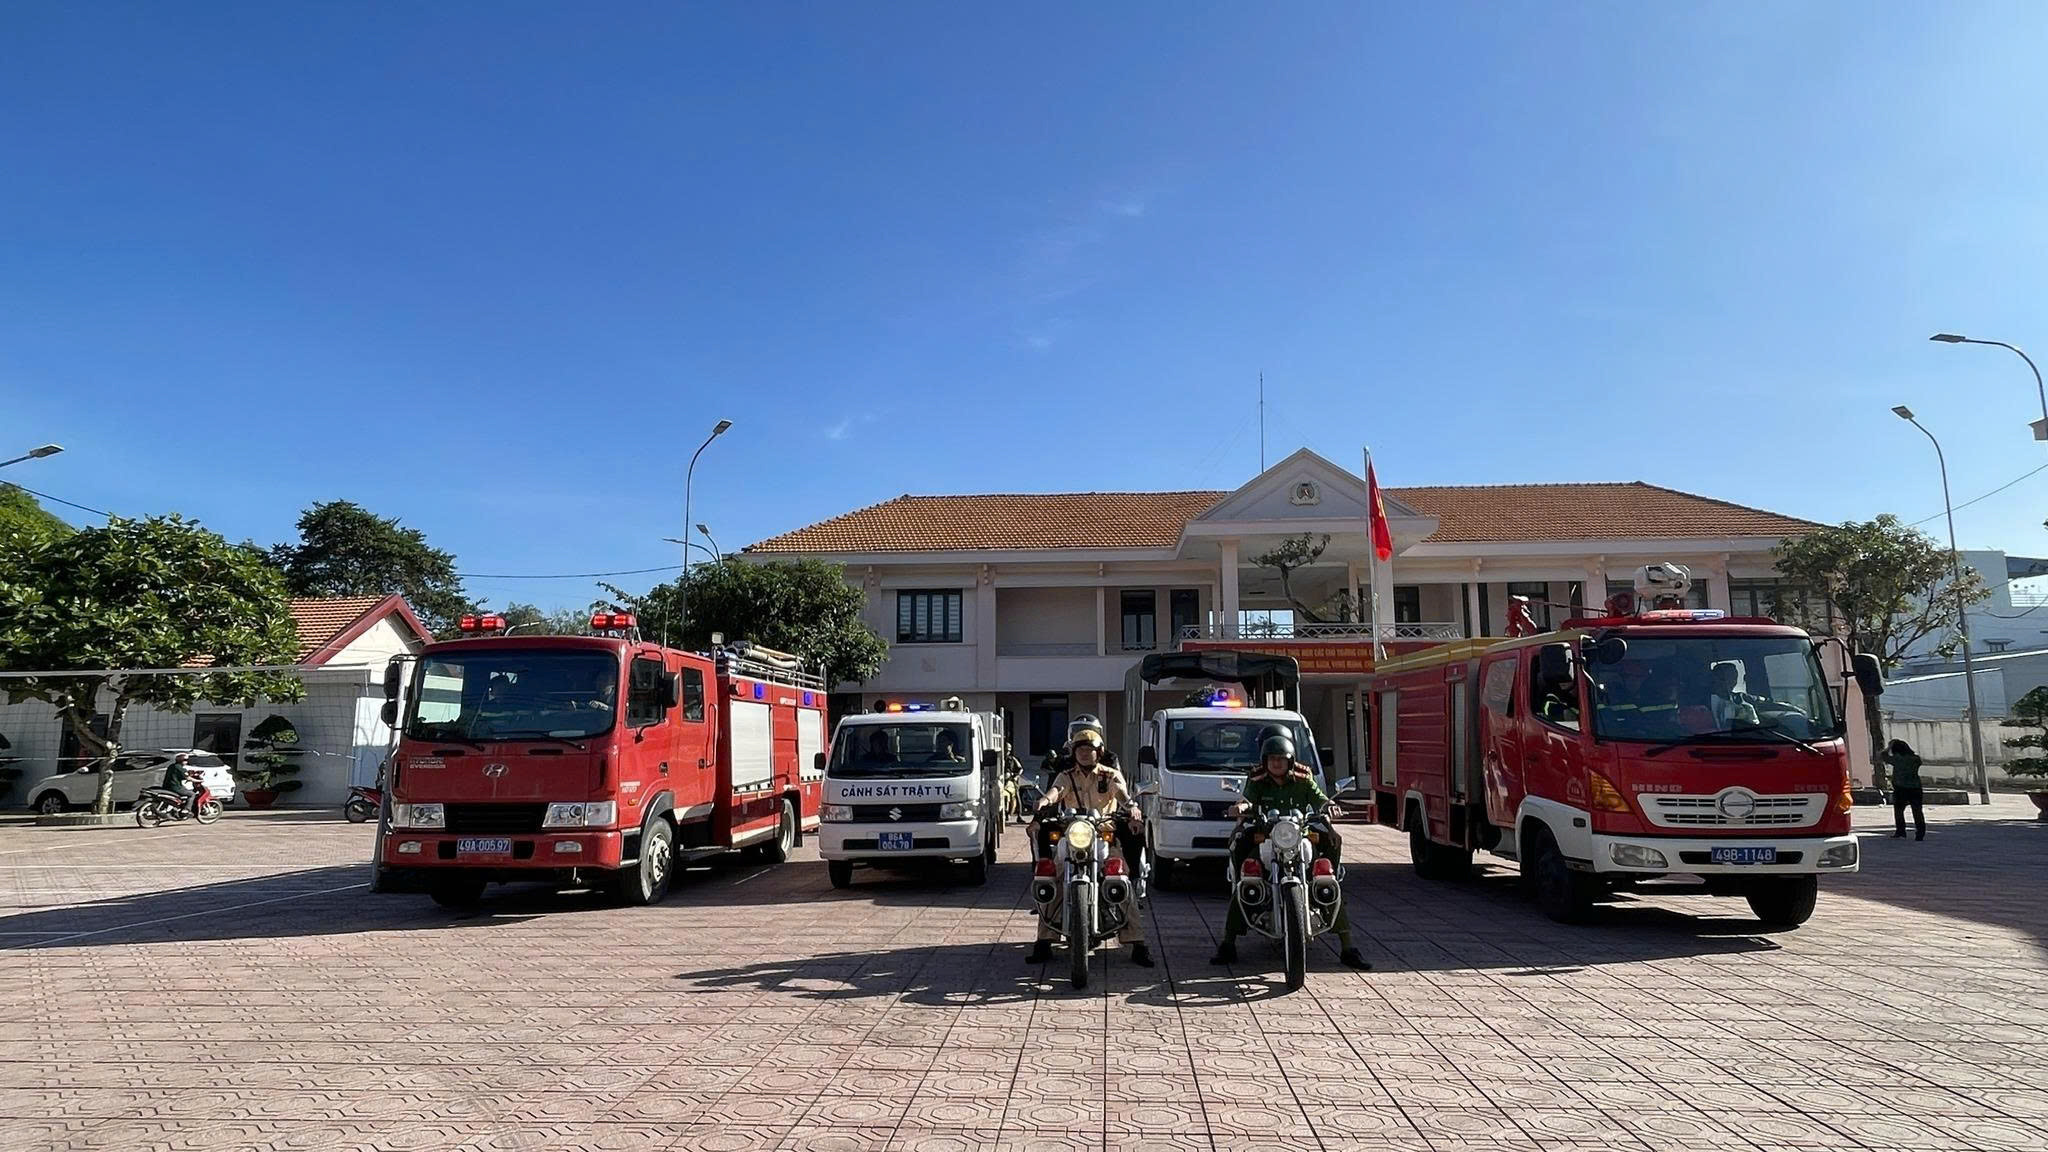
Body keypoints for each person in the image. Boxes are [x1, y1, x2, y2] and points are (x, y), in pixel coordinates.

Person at [1211, 734, 1370, 970]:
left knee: (1326, 881)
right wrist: (1240, 807)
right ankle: (1228, 943)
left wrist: (1330, 807)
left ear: (1290, 760)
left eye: (1281, 759)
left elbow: (1320, 799)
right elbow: (1247, 801)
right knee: (1247, 878)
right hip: (1266, 837)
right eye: (1272, 759)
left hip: (1299, 836)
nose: (1277, 763)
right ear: (1265, 761)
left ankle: (1347, 948)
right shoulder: (1257, 779)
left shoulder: (1303, 778)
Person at [1025, 728, 1152, 968]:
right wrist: (1044, 800)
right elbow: (1056, 791)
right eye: (1080, 749)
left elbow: (1123, 794)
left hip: (1104, 836)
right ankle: (1043, 941)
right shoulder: (1066, 775)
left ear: (1099, 752)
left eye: (1089, 750)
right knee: (1055, 877)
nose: (1085, 753)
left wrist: (1132, 807)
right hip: (1074, 834)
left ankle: (1138, 943)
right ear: (1074, 752)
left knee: (1120, 879)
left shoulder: (1110, 774)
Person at [1884, 739, 1926, 841]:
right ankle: (1920, 832)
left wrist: (1889, 747)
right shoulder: (1915, 759)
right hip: (1915, 787)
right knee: (1917, 811)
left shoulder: (1897, 759)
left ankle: (1901, 831)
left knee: (1899, 811)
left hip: (1901, 788)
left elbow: (1883, 756)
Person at [160, 752, 197, 817]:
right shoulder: (180, 768)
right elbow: (188, 778)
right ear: (181, 761)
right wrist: (198, 780)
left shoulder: (171, 766)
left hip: (167, 786)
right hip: (175, 787)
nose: (187, 762)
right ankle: (186, 810)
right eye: (185, 760)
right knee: (192, 794)